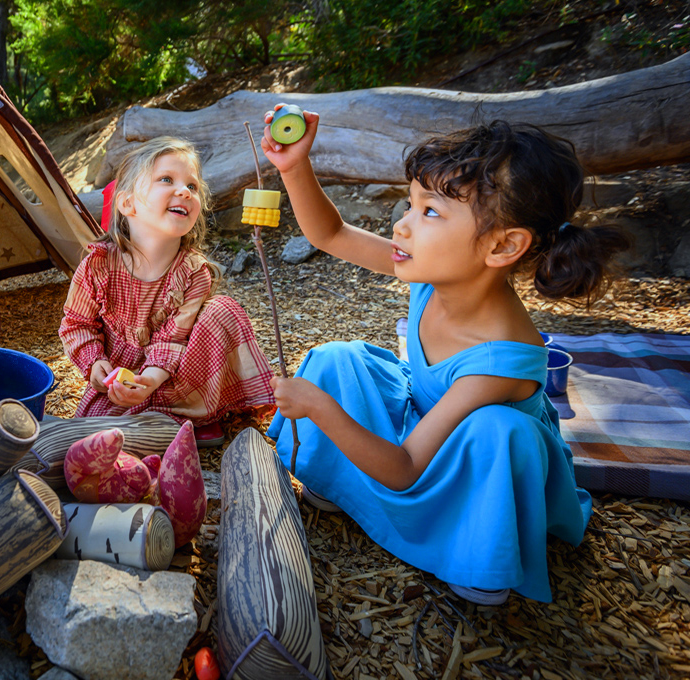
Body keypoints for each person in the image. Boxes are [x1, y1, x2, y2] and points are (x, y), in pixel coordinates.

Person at [262, 113, 628, 604]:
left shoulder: (502, 359)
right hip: (422, 416)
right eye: (410, 205)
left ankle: (478, 553)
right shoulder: (435, 272)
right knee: (338, 359)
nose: (403, 225)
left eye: (429, 212)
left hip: (472, 469)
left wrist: (319, 408)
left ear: (502, 245)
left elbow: (408, 466)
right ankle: (337, 475)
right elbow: (330, 234)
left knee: (501, 432)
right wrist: (294, 166)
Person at [59, 137, 275, 447]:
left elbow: (172, 339)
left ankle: (196, 413)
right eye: (166, 179)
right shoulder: (99, 265)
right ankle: (165, 420)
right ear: (128, 203)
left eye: (193, 186)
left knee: (221, 310)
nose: (185, 191)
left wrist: (150, 380)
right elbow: (77, 324)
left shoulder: (191, 271)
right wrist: (95, 364)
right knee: (93, 436)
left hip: (177, 375)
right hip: (122, 377)